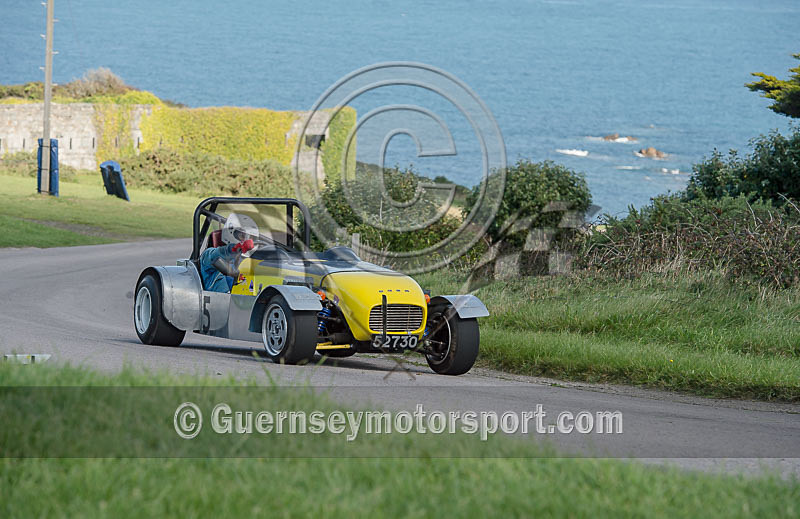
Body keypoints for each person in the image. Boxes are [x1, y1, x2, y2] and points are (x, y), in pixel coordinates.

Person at [199, 213, 259, 292]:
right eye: (242, 236)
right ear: (230, 233)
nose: (248, 241)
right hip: (218, 298)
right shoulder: (209, 256)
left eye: (251, 237)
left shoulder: (250, 262)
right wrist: (233, 249)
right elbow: (214, 256)